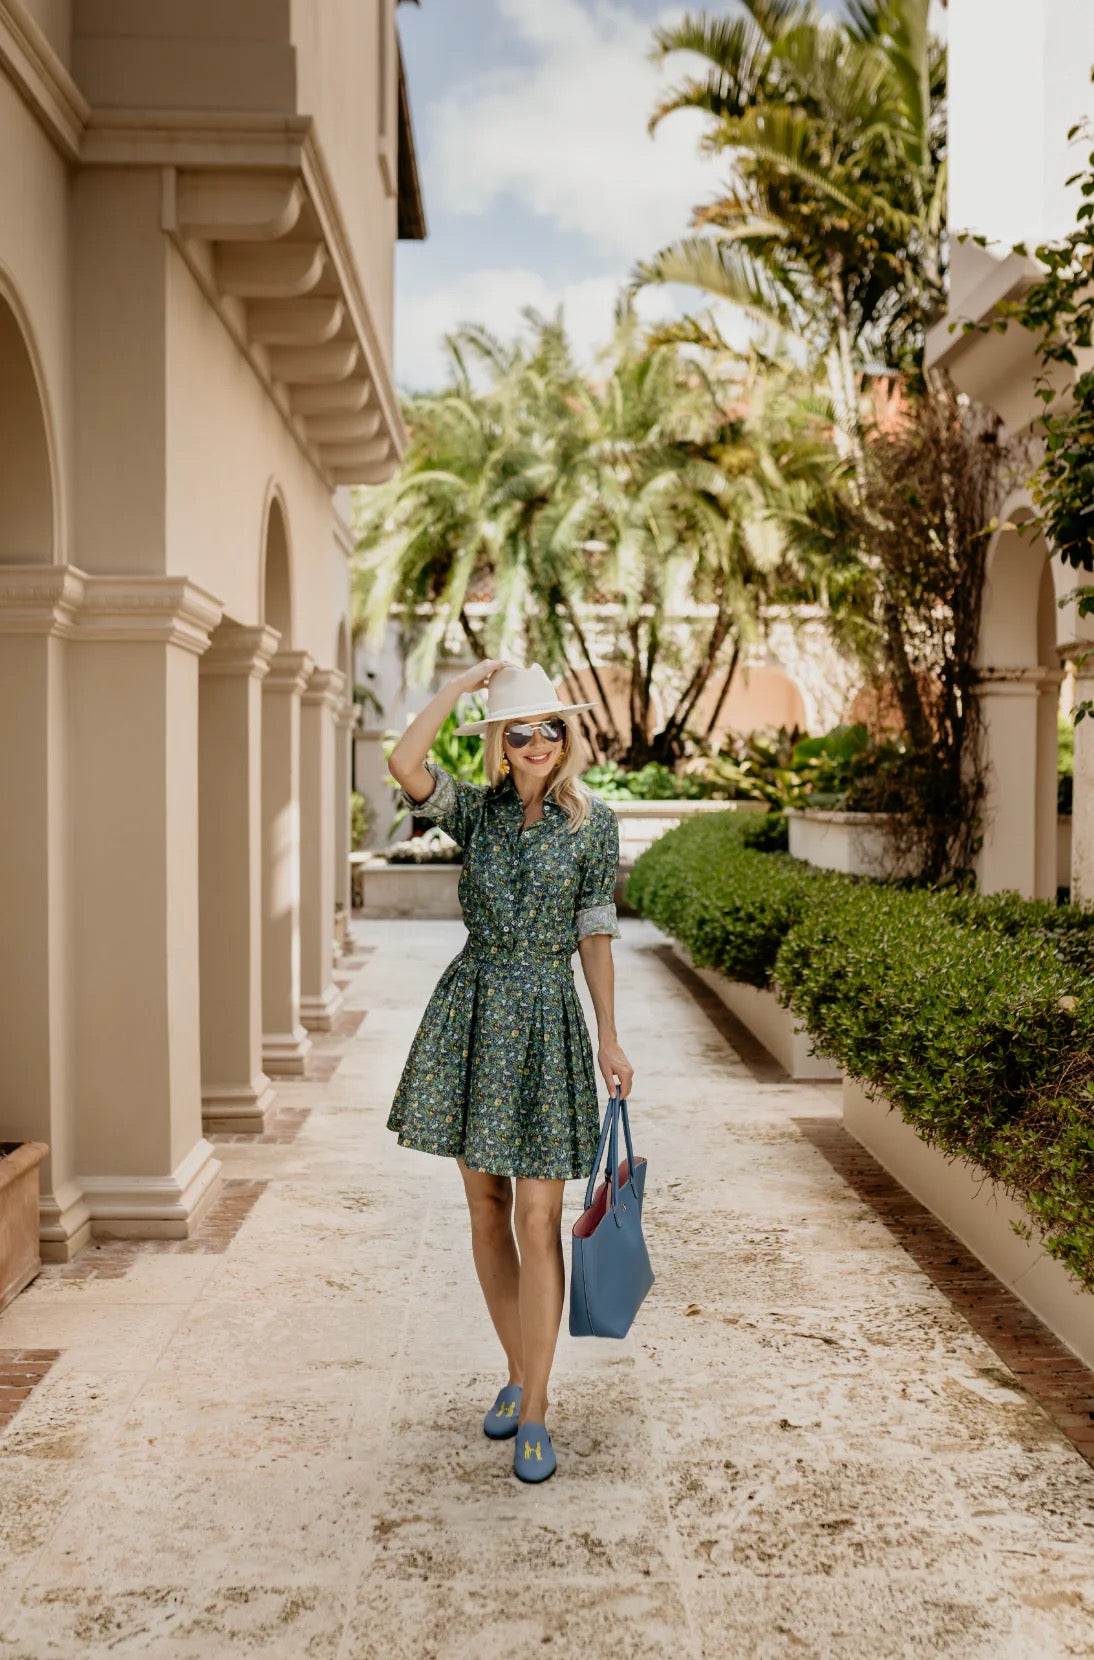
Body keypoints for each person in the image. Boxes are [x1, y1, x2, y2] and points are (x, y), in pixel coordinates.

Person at [386, 659, 634, 1484]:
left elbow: (594, 935)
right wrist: (457, 689)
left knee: (538, 1218)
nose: (536, 742)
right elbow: (404, 762)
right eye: (520, 729)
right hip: (474, 1014)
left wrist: (608, 1036)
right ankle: (521, 1372)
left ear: (567, 736)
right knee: (487, 1211)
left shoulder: (593, 824)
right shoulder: (478, 811)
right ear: (501, 739)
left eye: (550, 727)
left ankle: (535, 1410)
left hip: (547, 1021)